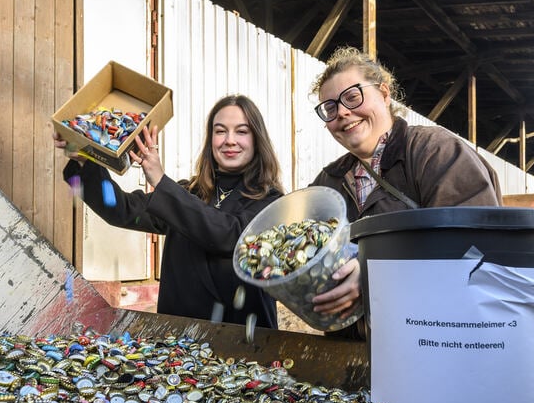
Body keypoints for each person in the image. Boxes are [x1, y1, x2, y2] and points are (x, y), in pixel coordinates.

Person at [308, 46, 502, 326]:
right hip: (352, 350)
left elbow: (475, 244)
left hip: (432, 338)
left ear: (384, 95)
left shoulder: (434, 151)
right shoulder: (328, 182)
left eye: (352, 97)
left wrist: (376, 277)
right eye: (330, 107)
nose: (342, 113)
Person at [55, 95, 284, 328]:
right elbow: (121, 209)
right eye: (220, 131)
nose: (230, 140)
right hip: (180, 341)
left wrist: (161, 182)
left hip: (244, 343)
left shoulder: (272, 202)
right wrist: (86, 160)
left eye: (242, 131)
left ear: (257, 139)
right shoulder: (190, 193)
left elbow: (230, 236)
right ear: (211, 140)